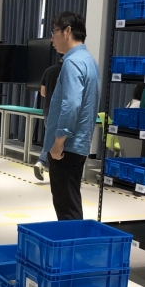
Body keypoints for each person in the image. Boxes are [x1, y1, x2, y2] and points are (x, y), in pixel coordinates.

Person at [44, 11, 100, 221]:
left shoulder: (72, 63)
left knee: (66, 207)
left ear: (67, 31)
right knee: (71, 201)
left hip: (67, 146)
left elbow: (72, 103)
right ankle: (74, 240)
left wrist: (59, 141)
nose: (52, 39)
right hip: (79, 143)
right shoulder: (89, 61)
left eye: (54, 32)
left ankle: (72, 242)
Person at [33, 55, 63, 181]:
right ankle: (42, 162)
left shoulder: (49, 71)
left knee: (49, 137)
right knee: (59, 140)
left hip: (48, 110)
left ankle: (43, 162)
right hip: (62, 111)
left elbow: (43, 92)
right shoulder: (69, 72)